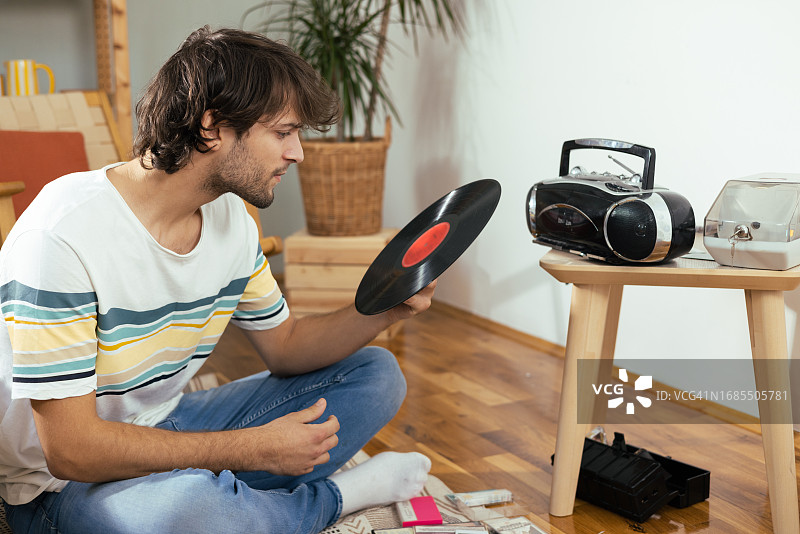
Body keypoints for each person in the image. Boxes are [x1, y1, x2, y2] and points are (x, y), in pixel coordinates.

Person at [0, 26, 436, 534]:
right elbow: (70, 452)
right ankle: (334, 499)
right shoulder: (63, 235)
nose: (297, 153)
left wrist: (388, 308)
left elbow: (288, 346)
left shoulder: (231, 219)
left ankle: (237, 498)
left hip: (166, 421)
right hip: (58, 485)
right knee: (195, 509)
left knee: (376, 374)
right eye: (283, 132)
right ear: (213, 126)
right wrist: (254, 448)